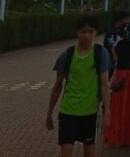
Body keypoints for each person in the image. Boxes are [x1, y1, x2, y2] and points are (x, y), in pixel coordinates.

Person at [46, 15, 111, 157]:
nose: (87, 35)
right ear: (77, 32)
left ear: (96, 33)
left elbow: (104, 84)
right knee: (66, 150)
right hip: (68, 111)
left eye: (90, 31)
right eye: (83, 31)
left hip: (90, 112)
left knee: (89, 152)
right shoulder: (67, 55)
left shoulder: (101, 54)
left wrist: (107, 112)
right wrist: (49, 113)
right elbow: (58, 86)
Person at [103, 10, 130, 77]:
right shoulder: (111, 34)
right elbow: (111, 48)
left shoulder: (127, 32)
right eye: (126, 20)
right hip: (113, 66)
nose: (128, 22)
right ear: (119, 21)